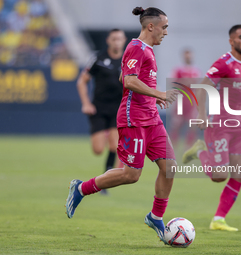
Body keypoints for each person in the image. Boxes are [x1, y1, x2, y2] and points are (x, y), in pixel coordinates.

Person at [66, 7, 179, 244]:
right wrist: (158, 93)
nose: (166, 32)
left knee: (170, 167)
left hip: (152, 118)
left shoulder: (145, 49)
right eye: (164, 27)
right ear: (151, 26)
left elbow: (122, 77)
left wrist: (151, 97)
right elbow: (128, 80)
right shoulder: (137, 47)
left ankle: (155, 216)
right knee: (131, 175)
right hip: (133, 119)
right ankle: (81, 189)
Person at [183, 24, 241, 231]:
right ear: (231, 41)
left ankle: (218, 220)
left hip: (239, 127)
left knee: (240, 173)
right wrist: (202, 115)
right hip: (219, 124)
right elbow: (203, 88)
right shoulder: (224, 63)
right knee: (219, 176)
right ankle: (200, 150)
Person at [76, 29, 126, 194]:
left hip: (118, 109)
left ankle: (105, 179)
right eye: (114, 39)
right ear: (108, 41)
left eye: (119, 39)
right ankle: (106, 135)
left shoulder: (128, 60)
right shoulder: (98, 58)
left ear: (124, 40)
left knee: (114, 145)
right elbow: (81, 81)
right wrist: (86, 103)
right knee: (98, 150)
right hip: (98, 108)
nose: (117, 42)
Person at [170, 48, 201, 148]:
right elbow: (173, 84)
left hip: (191, 102)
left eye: (190, 55)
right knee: (176, 125)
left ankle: (189, 147)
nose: (188, 57)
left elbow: (198, 86)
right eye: (186, 55)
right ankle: (173, 146)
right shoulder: (178, 70)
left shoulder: (195, 71)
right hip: (180, 101)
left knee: (192, 125)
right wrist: (185, 82)